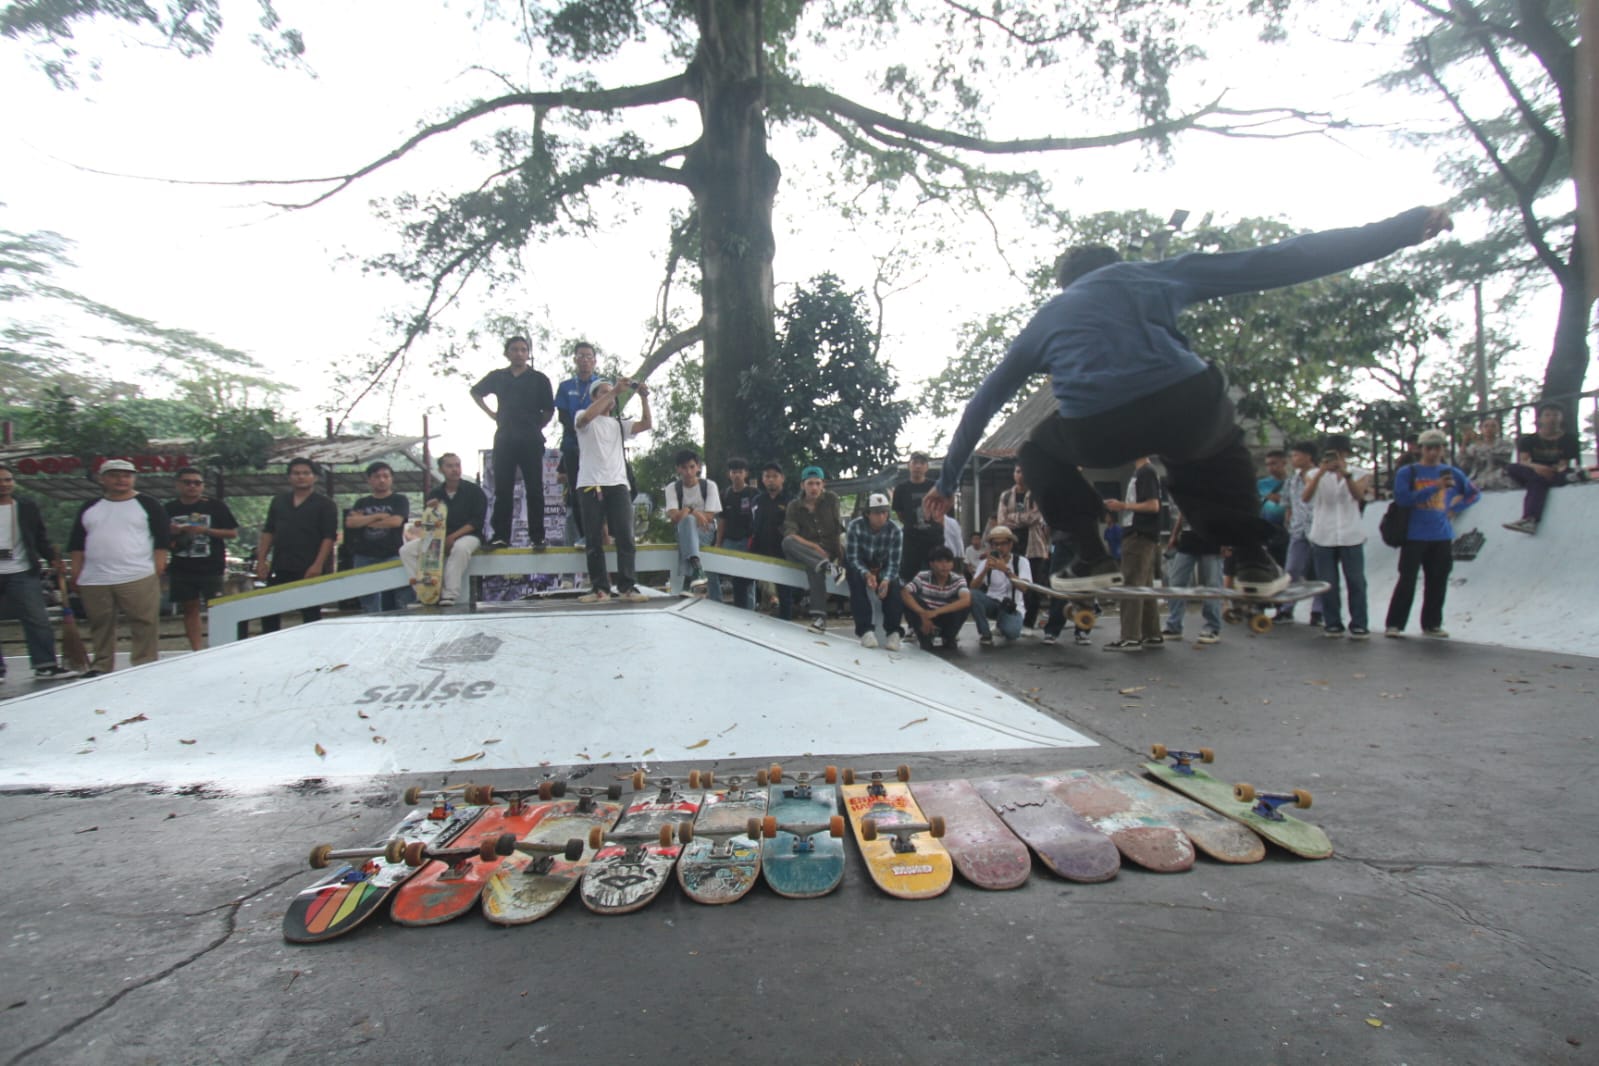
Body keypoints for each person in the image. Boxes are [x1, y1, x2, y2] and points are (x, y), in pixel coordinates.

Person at [922, 205, 1456, 599]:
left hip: (1096, 422)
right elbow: (1281, 259)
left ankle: (1088, 553)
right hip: (1185, 399)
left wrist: (946, 484)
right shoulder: (1152, 274)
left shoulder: (1047, 319)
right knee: (1208, 447)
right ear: (1115, 265)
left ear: (1065, 285)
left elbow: (983, 403)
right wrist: (1403, 229)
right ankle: (1252, 558)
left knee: (1038, 449)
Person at [67, 459, 169, 675]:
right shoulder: (90, 506)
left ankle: (145, 662)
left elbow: (162, 539)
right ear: (102, 479)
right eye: (114, 475)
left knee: (144, 622)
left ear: (133, 478)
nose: (121, 479)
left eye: (126, 475)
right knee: (99, 622)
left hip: (137, 573)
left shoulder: (148, 504)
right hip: (95, 577)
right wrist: (75, 571)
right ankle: (102, 664)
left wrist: (158, 567)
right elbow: (77, 543)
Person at [1384, 429, 1480, 638]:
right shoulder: (1408, 472)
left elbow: (1473, 493)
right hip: (1413, 534)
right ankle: (1395, 623)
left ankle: (1432, 623)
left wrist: (1455, 508)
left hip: (1441, 534)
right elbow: (1403, 499)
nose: (1434, 452)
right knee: (1407, 580)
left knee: (1437, 579)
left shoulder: (1452, 473)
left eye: (1438, 447)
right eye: (1429, 448)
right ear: (1421, 449)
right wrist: (1435, 487)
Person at [471, 335, 556, 549]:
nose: (519, 353)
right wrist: (492, 413)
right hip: (505, 438)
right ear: (507, 353)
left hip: (531, 439)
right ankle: (501, 536)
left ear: (528, 354)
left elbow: (548, 410)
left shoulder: (539, 379)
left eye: (523, 350)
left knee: (535, 489)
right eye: (515, 349)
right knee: (503, 489)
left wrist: (535, 426)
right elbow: (476, 391)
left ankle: (538, 537)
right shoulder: (498, 377)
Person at [574, 378, 652, 602]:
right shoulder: (583, 415)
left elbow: (646, 424)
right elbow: (585, 418)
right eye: (604, 392)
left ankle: (627, 586)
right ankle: (600, 588)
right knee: (594, 537)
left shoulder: (619, 423)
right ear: (594, 396)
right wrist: (615, 391)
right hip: (590, 482)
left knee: (626, 536)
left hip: (618, 483)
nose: (611, 396)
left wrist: (644, 398)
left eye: (613, 393)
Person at [0, 463, 76, 680]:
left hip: (22, 569)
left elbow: (40, 537)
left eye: (8, 480)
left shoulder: (26, 507)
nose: (4, 484)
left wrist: (52, 558)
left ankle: (45, 664)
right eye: (0, 480)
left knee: (37, 618)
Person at [255, 458, 338, 634]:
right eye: (296, 473)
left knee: (310, 613)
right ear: (289, 477)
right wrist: (261, 560)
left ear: (314, 477)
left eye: (306, 473)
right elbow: (268, 531)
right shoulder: (278, 502)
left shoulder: (325, 504)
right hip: (280, 564)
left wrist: (318, 565)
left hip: (309, 566)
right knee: (269, 609)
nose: (301, 477)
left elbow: (328, 537)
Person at [1303, 434, 1373, 638]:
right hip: (1323, 534)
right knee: (1328, 582)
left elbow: (1358, 496)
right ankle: (1332, 622)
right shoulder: (1314, 473)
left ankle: (1359, 623)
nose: (1336, 458)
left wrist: (1345, 474)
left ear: (1346, 454)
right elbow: (1306, 497)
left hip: (1351, 534)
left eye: (1340, 454)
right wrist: (1321, 473)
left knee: (1356, 580)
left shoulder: (1359, 473)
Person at [165, 466, 239, 651]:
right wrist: (173, 531)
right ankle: (197, 649)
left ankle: (220, 646)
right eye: (187, 482)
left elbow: (232, 533)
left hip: (211, 566)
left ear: (203, 486)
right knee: (190, 608)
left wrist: (205, 530)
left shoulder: (215, 506)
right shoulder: (168, 508)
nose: (192, 486)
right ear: (178, 485)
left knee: (217, 607)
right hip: (182, 566)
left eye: (197, 483)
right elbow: (157, 536)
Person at [399, 452, 487, 607]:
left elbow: (477, 521)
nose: (455, 469)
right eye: (450, 466)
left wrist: (452, 537)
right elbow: (429, 523)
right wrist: (430, 510)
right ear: (441, 470)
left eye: (457, 465)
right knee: (406, 551)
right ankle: (424, 592)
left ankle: (449, 594)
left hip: (469, 535)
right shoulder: (435, 493)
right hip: (438, 537)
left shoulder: (474, 491)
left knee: (460, 548)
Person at [1103, 456, 1164, 652]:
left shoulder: (1146, 471)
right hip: (1139, 533)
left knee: (1130, 584)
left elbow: (1153, 505)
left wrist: (1123, 506)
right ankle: (1152, 633)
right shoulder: (1140, 473)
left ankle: (1130, 636)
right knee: (1144, 586)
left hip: (1139, 534)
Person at [782, 466, 845, 634]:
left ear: (823, 484)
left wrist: (839, 554)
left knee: (814, 567)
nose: (814, 488)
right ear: (803, 485)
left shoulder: (831, 499)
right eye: (810, 484)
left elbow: (837, 528)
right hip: (807, 550)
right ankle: (827, 566)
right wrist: (814, 547)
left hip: (828, 550)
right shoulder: (794, 506)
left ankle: (819, 619)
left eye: (817, 483)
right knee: (787, 542)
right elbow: (791, 533)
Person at [1503, 404, 1583, 534]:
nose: (1552, 418)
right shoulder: (1528, 440)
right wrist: (1539, 468)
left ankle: (1530, 520)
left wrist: (1552, 470)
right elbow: (1524, 461)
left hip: (1554, 471)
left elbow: (1564, 463)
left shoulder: (1569, 439)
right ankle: (1566, 479)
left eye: (1556, 415)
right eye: (1547, 415)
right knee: (1513, 468)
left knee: (1540, 481)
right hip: (1533, 470)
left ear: (1561, 418)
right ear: (1540, 419)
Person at [345, 461, 411, 613]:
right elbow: (351, 522)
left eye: (385, 476)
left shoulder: (399, 500)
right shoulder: (362, 502)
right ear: (369, 480)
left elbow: (396, 521)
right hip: (364, 556)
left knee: (397, 596)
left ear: (391, 479)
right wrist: (379, 516)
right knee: (368, 599)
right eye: (377, 476)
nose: (382, 480)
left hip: (392, 554)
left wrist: (365, 521)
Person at [554, 341, 601, 554]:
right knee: (578, 490)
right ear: (574, 359)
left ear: (595, 361)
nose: (585, 360)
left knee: (600, 490)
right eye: (581, 356)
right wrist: (579, 432)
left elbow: (605, 412)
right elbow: (563, 416)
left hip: (596, 446)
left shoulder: (601, 385)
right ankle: (584, 534)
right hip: (573, 444)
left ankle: (601, 532)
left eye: (589, 356)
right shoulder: (566, 386)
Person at [843, 492, 904, 650]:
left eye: (884, 512)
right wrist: (866, 573)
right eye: (877, 513)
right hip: (859, 564)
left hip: (882, 566)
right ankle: (865, 631)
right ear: (868, 514)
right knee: (855, 580)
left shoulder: (895, 531)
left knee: (895, 585)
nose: (881, 517)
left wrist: (886, 580)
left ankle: (893, 632)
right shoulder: (855, 526)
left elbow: (894, 562)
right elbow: (852, 557)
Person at [663, 448, 722, 597]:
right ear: (678, 469)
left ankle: (690, 577)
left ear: (698, 467)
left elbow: (708, 517)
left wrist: (686, 512)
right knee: (687, 522)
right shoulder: (672, 488)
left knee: (687, 522)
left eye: (691, 467)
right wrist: (692, 511)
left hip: (705, 532)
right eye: (684, 468)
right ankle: (696, 569)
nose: (688, 471)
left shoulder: (709, 486)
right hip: (683, 532)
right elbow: (674, 517)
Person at [997, 465, 1050, 629]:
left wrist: (1014, 518)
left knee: (1032, 586)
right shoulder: (1006, 496)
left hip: (1034, 547)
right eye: (1017, 471)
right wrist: (1022, 519)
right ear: (1014, 474)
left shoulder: (1037, 494)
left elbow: (1035, 517)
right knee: (1008, 583)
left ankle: (1029, 622)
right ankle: (1007, 620)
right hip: (1011, 546)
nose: (1020, 475)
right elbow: (1002, 520)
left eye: (1024, 471)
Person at [1278, 441, 1323, 625]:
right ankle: (1286, 608)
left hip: (1319, 529)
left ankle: (1318, 611)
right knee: (1292, 570)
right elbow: (1287, 504)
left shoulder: (1320, 476)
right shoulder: (1292, 479)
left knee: (1321, 571)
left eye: (1297, 455)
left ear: (1308, 457)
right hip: (1298, 530)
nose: (1293, 459)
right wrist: (1288, 522)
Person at [1162, 513, 1223, 645]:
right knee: (1176, 582)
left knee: (1212, 585)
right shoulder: (1188, 492)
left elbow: (1224, 511)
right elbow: (1183, 512)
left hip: (1213, 538)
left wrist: (1227, 541)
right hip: (1188, 539)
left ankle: (1212, 627)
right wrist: (1174, 535)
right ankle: (1174, 626)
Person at [969, 525, 1031, 646]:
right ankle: (985, 634)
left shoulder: (1021, 561)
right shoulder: (986, 562)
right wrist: (985, 570)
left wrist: (1006, 570)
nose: (999, 548)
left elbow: (1024, 588)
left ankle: (1002, 624)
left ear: (1011, 544)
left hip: (1012, 607)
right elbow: (973, 587)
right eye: (995, 544)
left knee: (1012, 634)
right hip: (992, 603)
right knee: (972, 595)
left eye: (1003, 544)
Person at [901, 545, 972, 650]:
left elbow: (966, 600)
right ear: (931, 564)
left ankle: (949, 637)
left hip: (945, 616)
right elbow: (904, 593)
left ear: (952, 564)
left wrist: (936, 612)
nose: (944, 566)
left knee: (964, 603)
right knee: (912, 599)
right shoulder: (922, 576)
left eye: (948, 561)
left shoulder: (958, 579)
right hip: (926, 617)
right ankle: (925, 637)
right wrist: (923, 613)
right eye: (940, 561)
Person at [750, 462, 796, 619]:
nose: (771, 480)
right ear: (762, 479)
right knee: (763, 590)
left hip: (784, 552)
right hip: (761, 550)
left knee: (785, 594)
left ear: (782, 478)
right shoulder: (758, 500)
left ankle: (786, 624)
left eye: (775, 476)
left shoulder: (791, 500)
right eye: (767, 476)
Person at [715, 457, 760, 610]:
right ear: (729, 474)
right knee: (733, 576)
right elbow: (722, 520)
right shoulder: (725, 494)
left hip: (747, 540)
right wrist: (718, 543)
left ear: (745, 474)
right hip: (729, 540)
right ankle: (735, 609)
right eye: (734, 472)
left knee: (749, 579)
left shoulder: (754, 493)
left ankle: (750, 610)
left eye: (740, 472)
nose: (737, 475)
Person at [892, 451, 942, 582]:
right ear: (909, 466)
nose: (918, 466)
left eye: (922, 463)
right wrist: (912, 524)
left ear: (927, 467)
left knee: (937, 575)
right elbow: (900, 513)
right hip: (911, 540)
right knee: (909, 577)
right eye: (915, 463)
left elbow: (943, 510)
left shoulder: (935, 486)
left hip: (934, 539)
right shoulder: (901, 489)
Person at [1461, 414, 1514, 492]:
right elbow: (1463, 457)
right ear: (1481, 430)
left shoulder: (1505, 444)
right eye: (1486, 426)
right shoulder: (1474, 446)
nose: (1489, 428)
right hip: (1479, 477)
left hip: (1500, 476)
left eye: (1493, 426)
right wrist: (1464, 441)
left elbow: (1496, 456)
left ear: (1498, 429)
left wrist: (1478, 442)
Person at [1259, 449, 1289, 564]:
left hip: (1287, 529)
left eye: (1274, 463)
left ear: (1284, 463)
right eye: (1268, 464)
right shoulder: (1261, 484)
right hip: (1268, 530)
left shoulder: (1293, 482)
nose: (1271, 468)